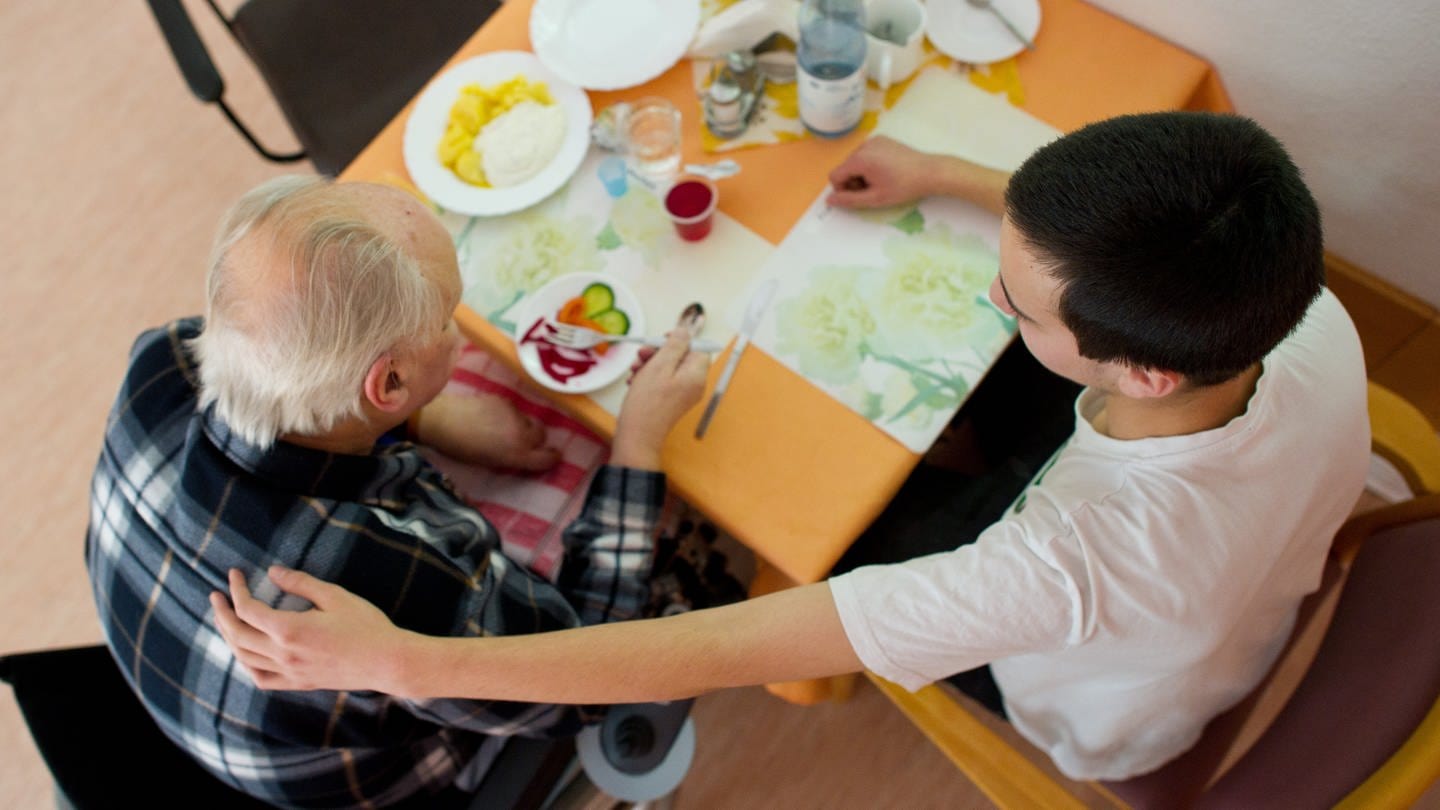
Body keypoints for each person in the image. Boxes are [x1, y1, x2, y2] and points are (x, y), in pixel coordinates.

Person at [210, 112, 1371, 783]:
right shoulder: (1298, 303)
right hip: (1261, 548)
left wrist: (405, 663)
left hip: (1108, 711)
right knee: (971, 419)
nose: (997, 300)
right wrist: (946, 177)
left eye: (1019, 304)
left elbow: (706, 649)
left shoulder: (1057, 570)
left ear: (1142, 368)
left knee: (844, 524)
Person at [85, 175, 710, 808]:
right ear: (387, 384)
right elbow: (589, 673)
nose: (461, 336)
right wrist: (637, 444)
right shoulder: (385, 576)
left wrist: (429, 418)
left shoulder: (160, 360)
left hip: (181, 687)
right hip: (377, 783)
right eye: (446, 319)